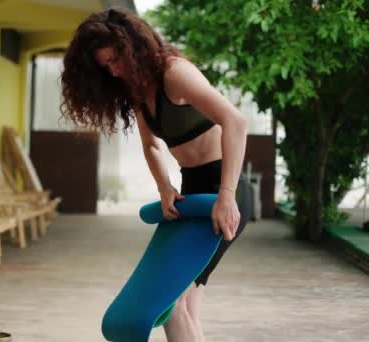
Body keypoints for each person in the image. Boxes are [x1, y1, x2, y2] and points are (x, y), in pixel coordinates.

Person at [60, 7, 250, 342]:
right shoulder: (138, 90)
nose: (115, 70)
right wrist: (165, 186)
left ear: (134, 44)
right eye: (107, 66)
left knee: (170, 299)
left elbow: (235, 121)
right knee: (186, 303)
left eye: (117, 58)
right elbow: (150, 145)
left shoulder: (175, 74)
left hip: (223, 189)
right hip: (191, 194)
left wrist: (227, 195)